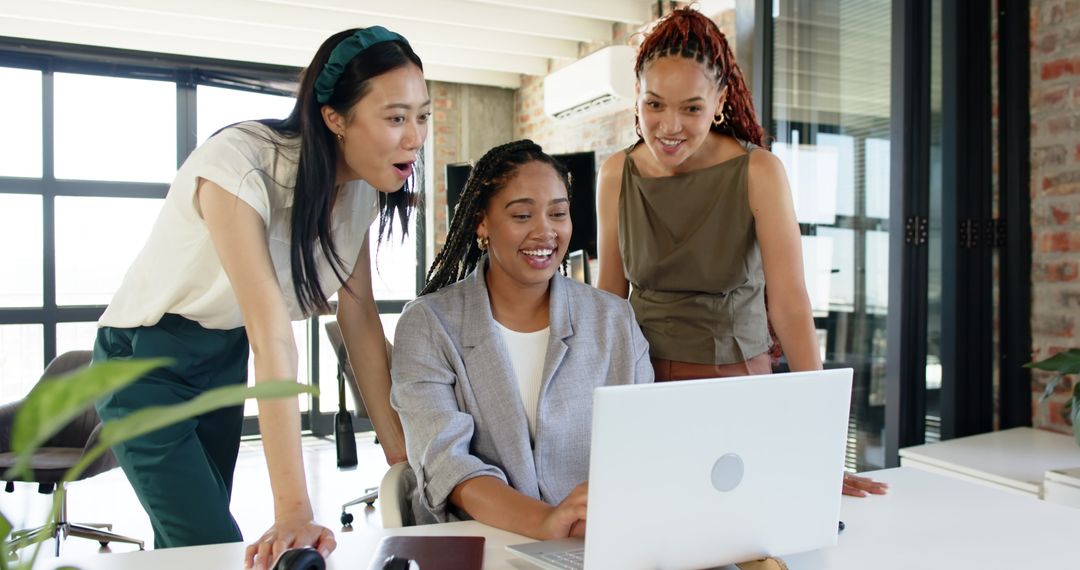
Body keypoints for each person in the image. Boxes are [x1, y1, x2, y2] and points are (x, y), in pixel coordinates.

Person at [90, 26, 429, 569]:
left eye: (422, 116)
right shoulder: (239, 165)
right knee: (208, 543)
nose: (414, 138)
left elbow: (360, 318)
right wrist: (294, 509)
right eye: (395, 118)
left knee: (184, 545)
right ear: (335, 118)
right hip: (142, 362)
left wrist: (401, 460)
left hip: (222, 356)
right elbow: (271, 333)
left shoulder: (360, 190)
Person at [595, 8, 886, 498]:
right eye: (654, 104)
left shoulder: (759, 172)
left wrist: (820, 439)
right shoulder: (615, 174)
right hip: (641, 385)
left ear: (720, 102)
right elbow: (608, 300)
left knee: (741, 521)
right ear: (638, 98)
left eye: (691, 108)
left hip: (735, 383)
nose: (669, 125)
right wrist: (597, 411)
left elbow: (790, 306)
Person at [390, 140, 653, 539]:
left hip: (597, 540)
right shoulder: (429, 325)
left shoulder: (613, 319)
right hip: (482, 541)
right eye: (522, 215)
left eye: (558, 213)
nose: (545, 231)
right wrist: (545, 521)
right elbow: (446, 463)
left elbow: (643, 444)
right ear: (482, 223)